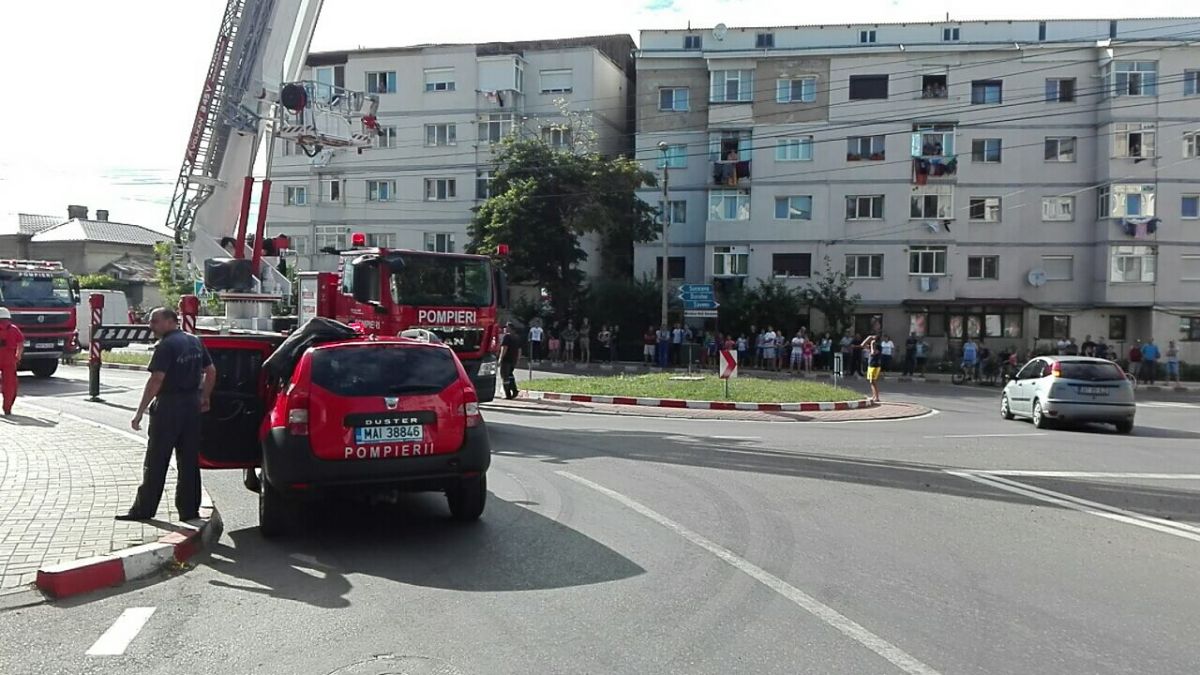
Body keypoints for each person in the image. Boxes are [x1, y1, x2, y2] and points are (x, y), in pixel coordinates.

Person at [117, 308, 216, 522]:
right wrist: (205, 397)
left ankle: (144, 510)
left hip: (169, 406)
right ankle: (189, 510)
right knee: (189, 460)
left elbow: (156, 380)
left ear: (171, 321)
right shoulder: (194, 341)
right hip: (192, 406)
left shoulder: (166, 345)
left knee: (156, 459)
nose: (151, 326)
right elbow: (211, 371)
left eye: (155, 321)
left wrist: (140, 411)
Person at [0, 308, 24, 415]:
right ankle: (7, 408)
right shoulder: (14, 329)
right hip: (9, 359)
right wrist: (18, 356)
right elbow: (20, 343)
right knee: (10, 385)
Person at [498, 322, 521, 399]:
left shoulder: (507, 337)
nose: (505, 328)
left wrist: (500, 358)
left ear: (510, 328)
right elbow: (519, 350)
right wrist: (517, 359)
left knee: (505, 377)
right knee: (510, 375)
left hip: (506, 359)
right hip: (513, 359)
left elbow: (504, 348)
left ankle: (508, 394)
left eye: (506, 327)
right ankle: (514, 390)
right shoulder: (517, 337)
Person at [861, 335, 883, 403]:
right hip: (871, 365)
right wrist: (868, 338)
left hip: (875, 365)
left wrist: (871, 344)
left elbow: (873, 353)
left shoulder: (878, 346)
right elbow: (862, 345)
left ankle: (877, 397)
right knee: (871, 381)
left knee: (873, 381)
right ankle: (874, 396)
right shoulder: (872, 345)